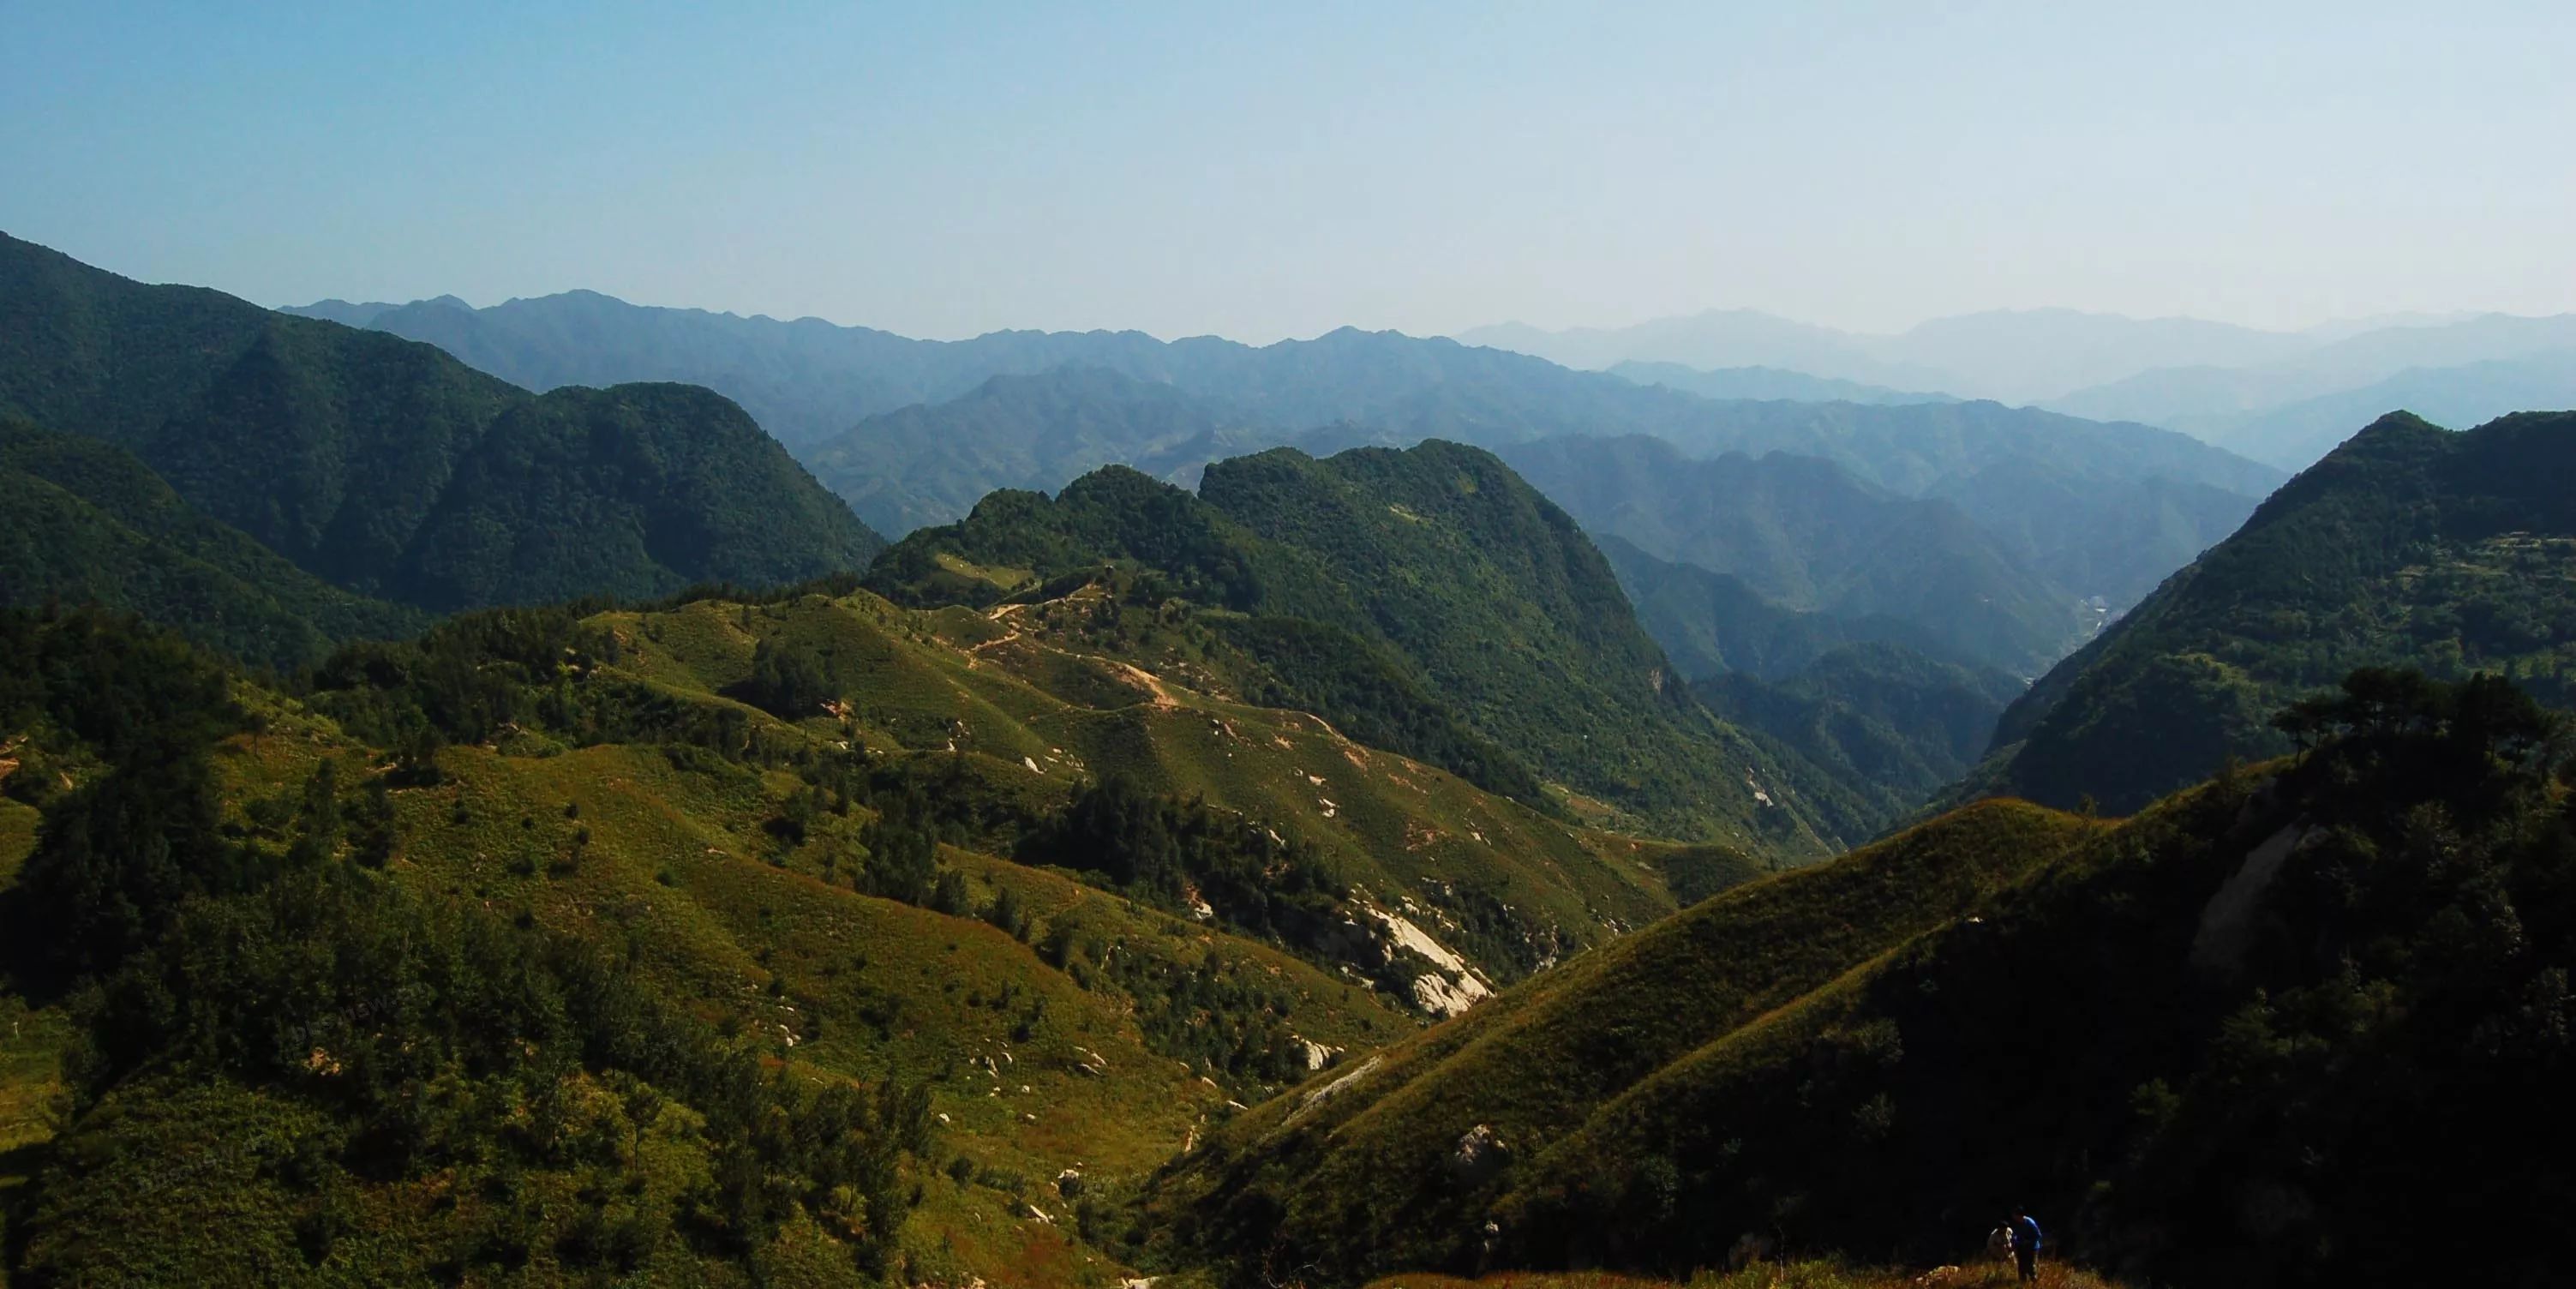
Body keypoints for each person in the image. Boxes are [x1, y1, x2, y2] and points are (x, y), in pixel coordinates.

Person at [2010, 1208, 2042, 1283]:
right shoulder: (2016, 1223)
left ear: (2019, 1215)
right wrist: (2013, 1243)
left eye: (2015, 1215)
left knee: (2030, 1266)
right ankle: (2023, 1283)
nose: (2013, 1217)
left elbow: (2038, 1235)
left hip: (2032, 1247)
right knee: (2021, 1267)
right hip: (2021, 1247)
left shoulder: (2030, 1223)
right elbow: (2014, 1234)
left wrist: (2028, 1241)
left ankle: (2034, 1282)